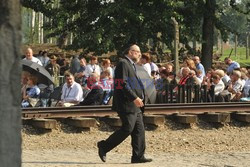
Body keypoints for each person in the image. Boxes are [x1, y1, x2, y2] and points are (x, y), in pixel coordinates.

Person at [97, 44, 152, 164]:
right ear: (131, 52)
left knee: (139, 130)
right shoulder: (123, 63)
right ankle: (104, 146)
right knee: (128, 128)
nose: (139, 54)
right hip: (127, 104)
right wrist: (134, 98)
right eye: (138, 52)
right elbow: (121, 83)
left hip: (135, 105)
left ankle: (138, 156)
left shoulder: (132, 65)